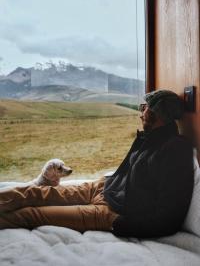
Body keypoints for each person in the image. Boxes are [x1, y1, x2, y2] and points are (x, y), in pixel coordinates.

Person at [0, 90, 194, 238]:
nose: (140, 112)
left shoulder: (176, 150)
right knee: (32, 193)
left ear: (159, 112)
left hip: (111, 212)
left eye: (145, 107)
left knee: (32, 214)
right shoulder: (150, 138)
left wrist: (120, 224)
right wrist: (104, 183)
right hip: (102, 187)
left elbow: (169, 217)